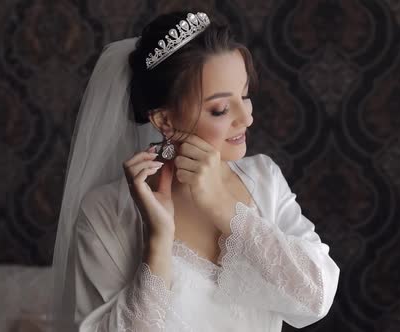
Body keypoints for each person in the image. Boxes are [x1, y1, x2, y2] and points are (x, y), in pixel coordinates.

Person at [51, 10, 340, 332]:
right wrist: (158, 242)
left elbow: (315, 299)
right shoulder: (107, 211)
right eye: (220, 109)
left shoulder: (264, 178)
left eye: (245, 96)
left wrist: (221, 205)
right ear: (164, 121)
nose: (246, 118)